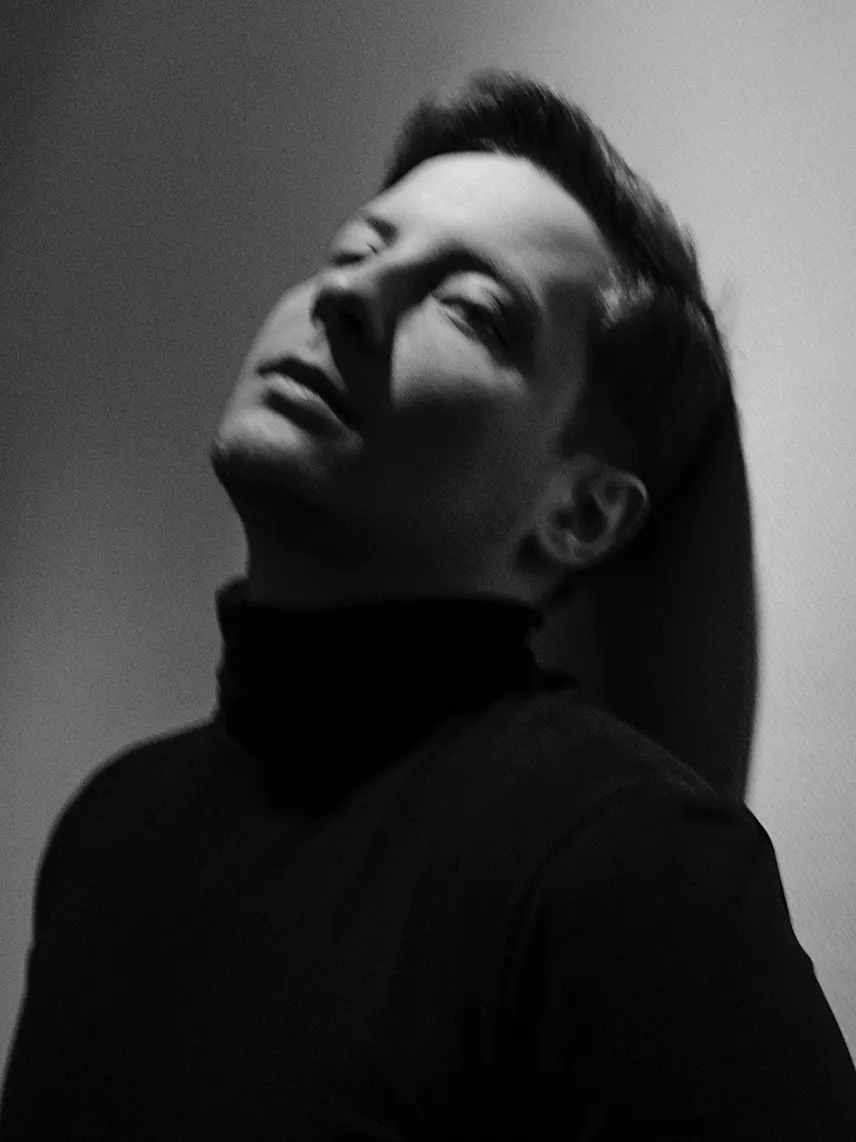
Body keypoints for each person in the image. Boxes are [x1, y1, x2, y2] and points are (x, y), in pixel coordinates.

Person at [2, 68, 855, 1140]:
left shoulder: (635, 864)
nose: (347, 298)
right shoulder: (110, 828)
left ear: (581, 511)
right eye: (354, 252)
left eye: (469, 309)